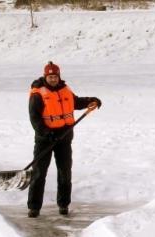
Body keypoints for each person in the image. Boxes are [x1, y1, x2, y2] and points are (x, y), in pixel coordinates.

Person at [27, 61, 101, 218]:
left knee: (65, 172)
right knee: (39, 173)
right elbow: (34, 118)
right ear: (45, 76)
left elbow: (76, 102)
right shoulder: (38, 93)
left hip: (64, 137)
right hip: (44, 139)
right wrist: (46, 133)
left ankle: (63, 204)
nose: (53, 79)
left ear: (59, 76)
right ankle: (34, 207)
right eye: (50, 76)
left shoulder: (65, 89)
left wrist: (91, 100)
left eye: (55, 76)